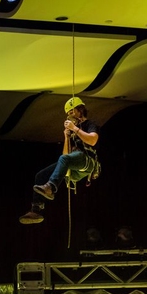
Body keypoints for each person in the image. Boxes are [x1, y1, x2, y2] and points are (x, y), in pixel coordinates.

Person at [19, 96, 100, 224]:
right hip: (75, 166)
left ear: (80, 109)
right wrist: (67, 137)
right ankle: (36, 209)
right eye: (68, 114)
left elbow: (93, 140)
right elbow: (66, 155)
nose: (70, 115)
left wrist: (75, 129)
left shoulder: (90, 124)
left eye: (72, 111)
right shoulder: (73, 131)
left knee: (64, 159)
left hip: (87, 161)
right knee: (41, 175)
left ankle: (51, 187)